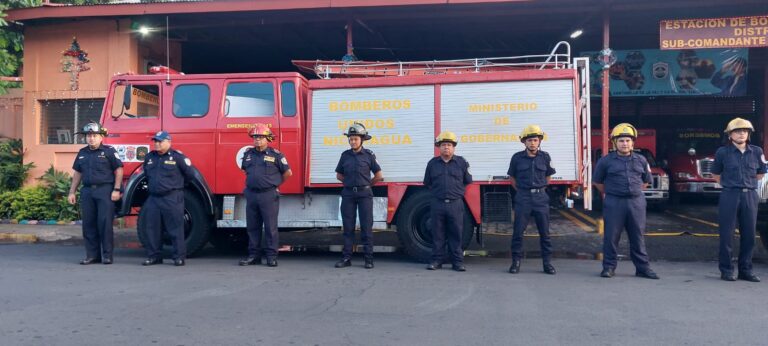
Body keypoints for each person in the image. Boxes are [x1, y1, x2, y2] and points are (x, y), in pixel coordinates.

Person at [593, 123, 659, 279]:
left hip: (636, 202)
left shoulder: (641, 160)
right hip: (614, 202)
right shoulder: (606, 161)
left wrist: (633, 191)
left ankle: (643, 268)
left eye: (628, 141)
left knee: (638, 236)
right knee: (611, 236)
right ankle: (609, 267)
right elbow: (597, 182)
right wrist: (613, 192)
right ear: (615, 142)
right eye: (621, 140)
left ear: (633, 142)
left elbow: (646, 181)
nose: (625, 144)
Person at [712, 117, 766, 282]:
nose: (741, 133)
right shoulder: (722, 152)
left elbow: (761, 173)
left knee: (749, 234)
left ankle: (745, 270)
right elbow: (716, 174)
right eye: (737, 131)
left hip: (750, 194)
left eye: (744, 131)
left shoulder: (756, 151)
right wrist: (730, 185)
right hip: (730, 194)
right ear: (730, 135)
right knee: (726, 234)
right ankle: (727, 270)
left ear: (749, 134)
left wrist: (746, 184)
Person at [68, 122, 123, 265]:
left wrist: (116, 189)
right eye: (89, 136)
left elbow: (119, 170)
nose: (91, 138)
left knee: (104, 224)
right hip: (87, 191)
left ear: (101, 137)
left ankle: (107, 255)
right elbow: (77, 173)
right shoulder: (82, 153)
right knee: (89, 224)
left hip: (105, 191)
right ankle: (92, 255)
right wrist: (72, 192)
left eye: (94, 136)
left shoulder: (109, 151)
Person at [239, 124, 292, 268]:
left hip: (268, 195)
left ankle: (271, 256)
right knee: (252, 227)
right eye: (255, 137)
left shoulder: (275, 155)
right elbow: (246, 171)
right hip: (251, 194)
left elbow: (288, 173)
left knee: (270, 227)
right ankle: (253, 256)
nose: (257, 140)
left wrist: (275, 185)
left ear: (267, 138)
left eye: (260, 137)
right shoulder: (248, 154)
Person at [140, 131, 195, 267]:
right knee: (152, 228)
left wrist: (176, 187)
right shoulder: (150, 157)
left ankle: (178, 257)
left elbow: (190, 175)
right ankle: (154, 256)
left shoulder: (177, 157)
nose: (157, 144)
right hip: (154, 198)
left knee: (175, 228)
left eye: (160, 141)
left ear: (168, 142)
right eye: (155, 141)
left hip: (171, 197)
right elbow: (147, 175)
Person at [507, 125, 556, 275]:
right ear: (524, 142)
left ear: (539, 141)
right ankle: (516, 262)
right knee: (518, 232)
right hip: (523, 197)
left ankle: (547, 264)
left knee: (545, 233)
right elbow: (512, 178)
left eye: (535, 140)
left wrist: (538, 190)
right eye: (529, 140)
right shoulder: (516, 158)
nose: (532, 143)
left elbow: (548, 177)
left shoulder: (545, 157)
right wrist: (524, 191)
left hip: (541, 198)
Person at [334, 123, 383, 269]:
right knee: (348, 228)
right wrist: (350, 184)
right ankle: (346, 258)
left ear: (362, 140)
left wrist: (367, 185)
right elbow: (339, 175)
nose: (353, 141)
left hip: (365, 194)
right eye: (351, 139)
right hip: (348, 194)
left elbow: (379, 176)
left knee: (366, 227)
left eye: (355, 139)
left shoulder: (369, 155)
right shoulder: (345, 156)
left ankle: (368, 259)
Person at [423, 131, 472, 272]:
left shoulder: (461, 163)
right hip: (437, 203)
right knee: (437, 233)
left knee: (456, 233)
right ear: (439, 147)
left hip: (455, 203)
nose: (446, 147)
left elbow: (467, 181)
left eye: (449, 145)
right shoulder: (432, 164)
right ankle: (436, 261)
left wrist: (456, 192)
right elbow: (428, 182)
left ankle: (457, 262)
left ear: (454, 147)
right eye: (443, 145)